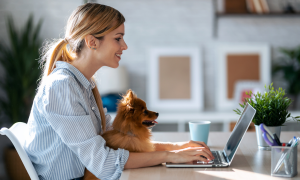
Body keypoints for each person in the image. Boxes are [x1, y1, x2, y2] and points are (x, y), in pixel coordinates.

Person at [24, 3, 214, 180]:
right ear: (92, 42)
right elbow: (105, 163)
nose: (124, 46)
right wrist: (170, 156)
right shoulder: (62, 87)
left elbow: (115, 143)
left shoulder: (83, 84)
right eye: (118, 38)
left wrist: (176, 148)